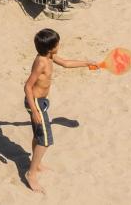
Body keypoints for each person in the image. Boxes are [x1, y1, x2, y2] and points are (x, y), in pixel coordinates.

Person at [23, 28, 92, 193]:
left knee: (38, 134)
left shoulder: (49, 56)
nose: (59, 45)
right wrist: (34, 110)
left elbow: (67, 63)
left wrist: (87, 63)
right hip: (36, 103)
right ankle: (31, 175)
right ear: (51, 47)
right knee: (45, 140)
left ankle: (36, 164)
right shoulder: (41, 62)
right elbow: (27, 86)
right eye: (57, 43)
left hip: (41, 103)